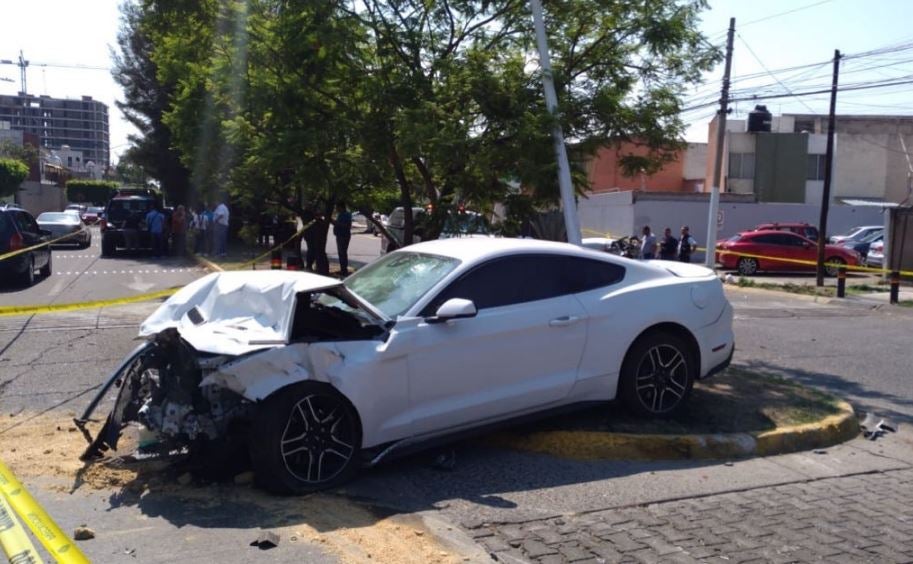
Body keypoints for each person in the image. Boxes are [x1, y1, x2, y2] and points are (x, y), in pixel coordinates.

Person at [332, 202, 353, 276]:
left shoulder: (346, 215)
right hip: (340, 235)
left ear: (341, 207)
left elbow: (346, 225)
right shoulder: (340, 214)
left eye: (337, 207)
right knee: (341, 253)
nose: (336, 209)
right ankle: (343, 269)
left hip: (343, 235)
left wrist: (335, 222)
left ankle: (344, 270)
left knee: (342, 253)